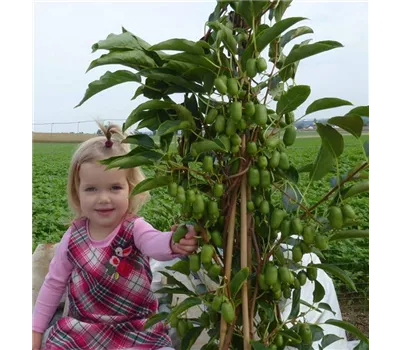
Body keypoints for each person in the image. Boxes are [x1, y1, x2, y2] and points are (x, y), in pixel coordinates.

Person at [32, 123, 198, 350]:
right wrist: (36, 331)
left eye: (115, 188)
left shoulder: (134, 228)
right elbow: (53, 284)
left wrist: (172, 241)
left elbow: (154, 242)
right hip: (83, 330)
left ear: (131, 189)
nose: (103, 198)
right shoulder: (73, 236)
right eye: (91, 189)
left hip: (136, 330)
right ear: (77, 191)